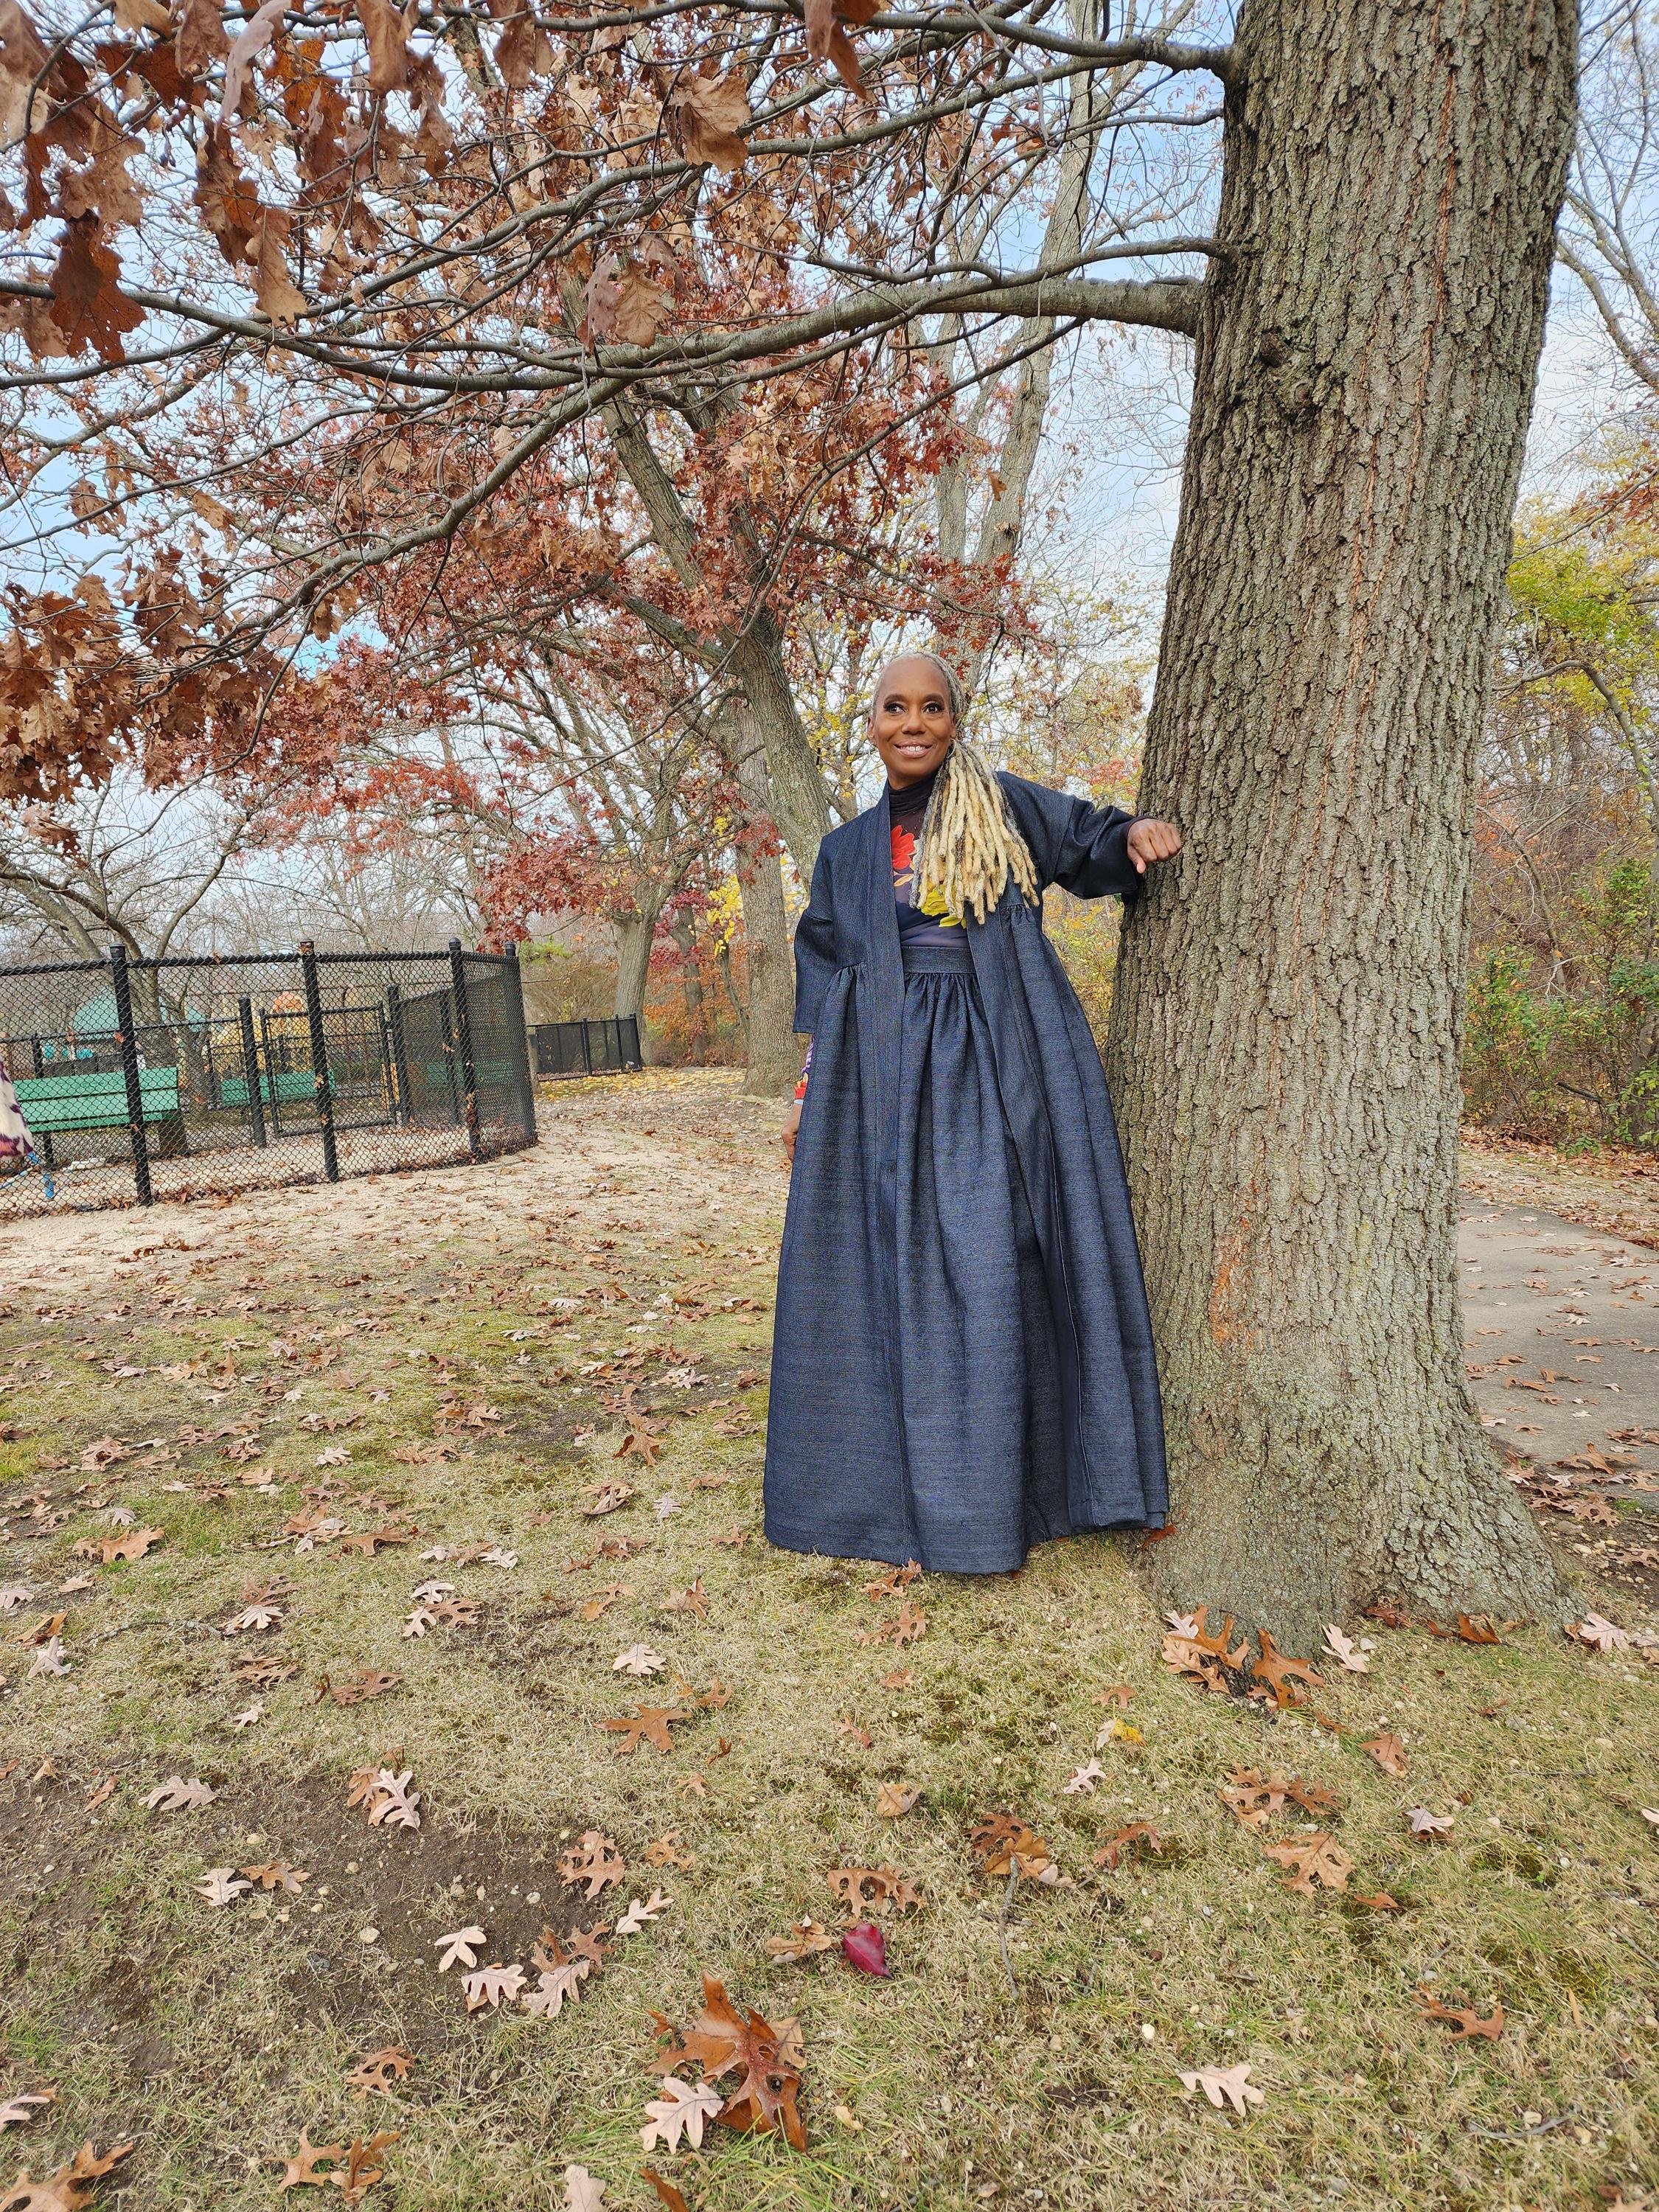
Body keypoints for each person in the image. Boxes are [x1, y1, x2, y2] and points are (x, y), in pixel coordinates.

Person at [763, 652, 1183, 1573]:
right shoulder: (845, 853)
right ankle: (889, 1488)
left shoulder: (1003, 806)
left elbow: (1089, 842)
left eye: (933, 707)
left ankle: (1017, 1482)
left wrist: (1136, 834)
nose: (913, 722)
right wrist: (805, 1097)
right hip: (878, 1073)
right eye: (893, 707)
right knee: (891, 1262)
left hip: (1000, 1056)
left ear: (956, 719)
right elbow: (826, 979)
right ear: (870, 722)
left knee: (1000, 1253)